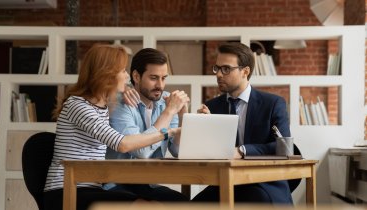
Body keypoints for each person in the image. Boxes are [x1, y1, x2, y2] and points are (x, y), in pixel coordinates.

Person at [43, 44, 181, 210]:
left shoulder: (101, 105)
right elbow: (122, 144)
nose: (127, 77)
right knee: (146, 207)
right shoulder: (78, 105)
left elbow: (109, 96)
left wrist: (124, 90)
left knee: (154, 205)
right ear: (106, 74)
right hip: (66, 190)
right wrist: (167, 132)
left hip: (92, 188)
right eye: (123, 71)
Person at [193, 42, 293, 204]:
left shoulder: (273, 103)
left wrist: (242, 151)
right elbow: (209, 153)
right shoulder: (212, 106)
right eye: (217, 68)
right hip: (225, 183)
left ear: (245, 71)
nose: (218, 74)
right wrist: (203, 127)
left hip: (263, 184)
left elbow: (283, 146)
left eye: (226, 69)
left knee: (252, 200)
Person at [104, 48, 189, 201]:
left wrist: (184, 116)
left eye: (164, 78)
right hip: (117, 183)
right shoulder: (119, 103)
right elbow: (141, 152)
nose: (160, 85)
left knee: (182, 202)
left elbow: (177, 151)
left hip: (147, 184)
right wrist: (169, 112)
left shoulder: (166, 102)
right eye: (154, 78)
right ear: (136, 76)